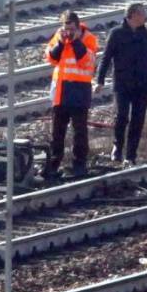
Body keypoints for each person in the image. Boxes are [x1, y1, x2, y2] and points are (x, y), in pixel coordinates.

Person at [95, 2, 147, 166]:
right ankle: (117, 147)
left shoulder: (145, 34)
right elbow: (106, 58)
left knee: (138, 119)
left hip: (142, 84)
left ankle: (131, 154)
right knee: (121, 116)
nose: (145, 17)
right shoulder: (117, 33)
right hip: (122, 84)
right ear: (133, 15)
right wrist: (99, 80)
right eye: (142, 13)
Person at [46, 9, 97, 179]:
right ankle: (53, 164)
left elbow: (86, 61)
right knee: (57, 131)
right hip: (61, 90)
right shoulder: (59, 36)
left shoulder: (88, 38)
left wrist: (75, 42)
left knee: (79, 131)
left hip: (79, 91)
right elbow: (51, 58)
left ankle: (79, 164)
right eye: (65, 28)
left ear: (77, 26)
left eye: (70, 29)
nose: (67, 32)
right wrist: (60, 43)